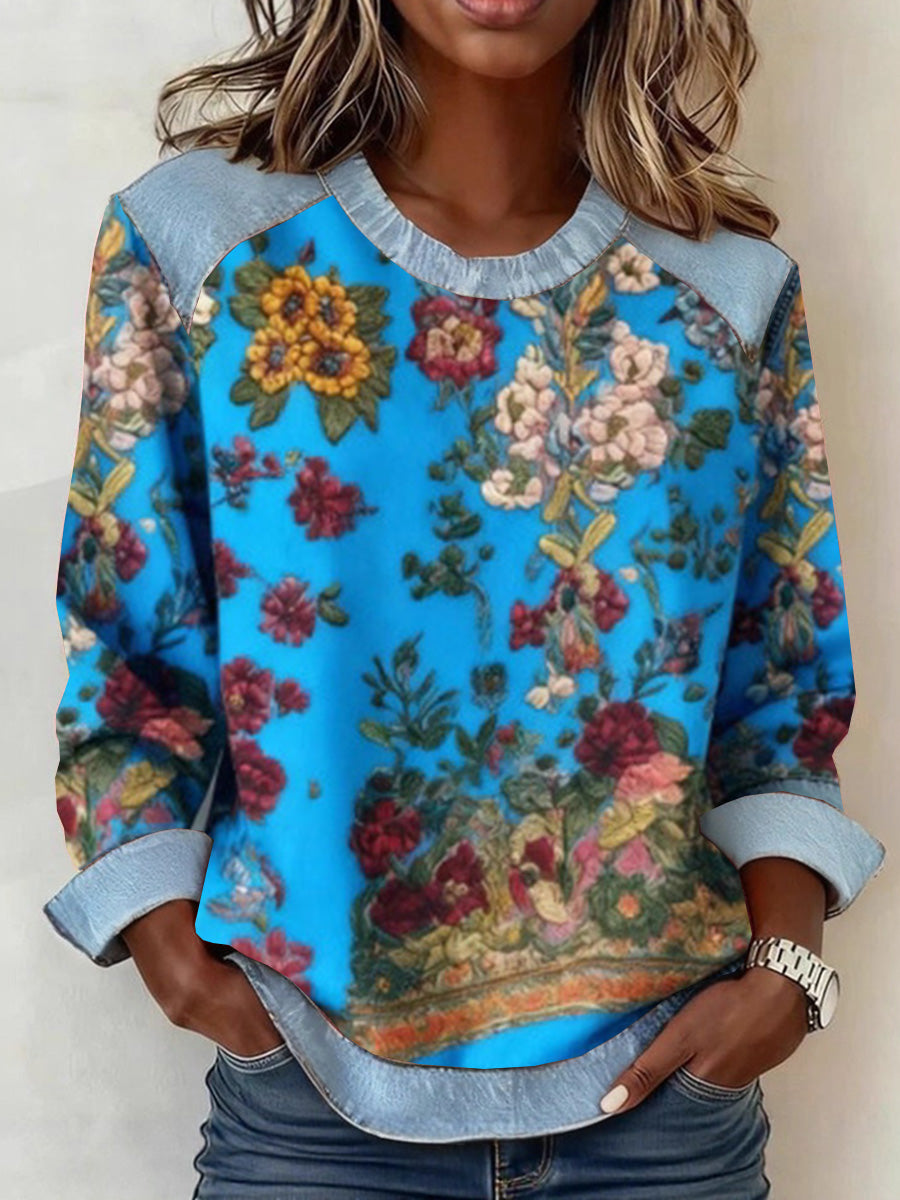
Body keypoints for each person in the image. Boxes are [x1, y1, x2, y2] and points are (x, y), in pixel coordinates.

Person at [43, 1, 886, 1196]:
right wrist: (175, 961)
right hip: (313, 1114)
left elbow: (781, 703)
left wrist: (785, 978)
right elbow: (127, 661)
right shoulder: (198, 247)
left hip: (666, 1121)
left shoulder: (726, 290)